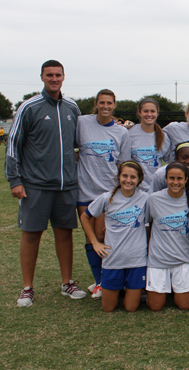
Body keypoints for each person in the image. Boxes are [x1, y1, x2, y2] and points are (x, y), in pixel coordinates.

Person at [7, 60, 86, 307]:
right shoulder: (29, 107)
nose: (54, 79)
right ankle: (27, 288)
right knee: (32, 235)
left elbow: (81, 142)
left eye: (58, 75)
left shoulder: (73, 107)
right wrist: (15, 180)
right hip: (35, 185)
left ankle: (67, 283)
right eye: (49, 75)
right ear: (42, 77)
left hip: (66, 185)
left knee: (65, 234)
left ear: (64, 77)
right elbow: (13, 144)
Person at [76, 89, 132, 300]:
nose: (105, 106)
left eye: (109, 103)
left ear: (114, 104)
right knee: (90, 237)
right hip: (85, 189)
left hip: (107, 191)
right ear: (96, 103)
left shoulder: (121, 132)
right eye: (102, 103)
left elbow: (123, 165)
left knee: (101, 236)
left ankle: (106, 280)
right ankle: (100, 282)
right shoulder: (83, 123)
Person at [80, 161, 149, 312]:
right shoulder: (106, 198)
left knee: (131, 308)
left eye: (133, 177)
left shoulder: (145, 198)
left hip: (136, 260)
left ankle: (133, 288)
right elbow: (85, 217)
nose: (128, 180)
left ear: (139, 179)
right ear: (118, 177)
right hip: (113, 259)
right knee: (108, 308)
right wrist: (95, 243)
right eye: (124, 176)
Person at [144, 162, 189, 311]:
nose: (175, 182)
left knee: (184, 305)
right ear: (166, 179)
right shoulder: (153, 199)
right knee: (155, 307)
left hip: (184, 259)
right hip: (158, 259)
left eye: (179, 178)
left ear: (186, 180)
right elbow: (147, 225)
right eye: (171, 178)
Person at [128, 98, 171, 193]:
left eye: (152, 111)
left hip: (156, 190)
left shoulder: (164, 136)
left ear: (157, 113)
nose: (149, 114)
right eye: (145, 111)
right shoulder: (130, 133)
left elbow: (169, 164)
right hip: (135, 190)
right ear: (139, 112)